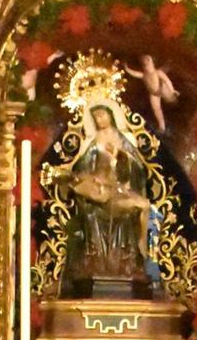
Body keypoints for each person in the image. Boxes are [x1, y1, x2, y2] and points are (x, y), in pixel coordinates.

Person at [63, 102, 155, 292]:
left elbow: (137, 169)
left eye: (102, 115)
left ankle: (130, 256)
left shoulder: (124, 138)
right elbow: (81, 170)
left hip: (121, 189)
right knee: (92, 213)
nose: (100, 119)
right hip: (99, 194)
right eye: (95, 116)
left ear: (111, 115)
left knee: (135, 209)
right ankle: (94, 258)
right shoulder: (91, 141)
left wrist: (120, 156)